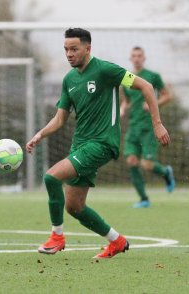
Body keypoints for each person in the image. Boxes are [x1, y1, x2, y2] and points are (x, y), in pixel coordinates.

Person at [25, 28, 170, 259]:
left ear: (87, 48)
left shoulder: (105, 70)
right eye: (66, 49)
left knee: (51, 177)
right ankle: (117, 241)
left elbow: (146, 86)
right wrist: (39, 134)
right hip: (80, 146)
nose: (69, 54)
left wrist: (157, 124)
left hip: (102, 143)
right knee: (75, 207)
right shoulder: (69, 80)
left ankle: (57, 237)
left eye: (74, 49)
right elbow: (60, 118)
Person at [120, 46, 176, 209]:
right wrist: (123, 108)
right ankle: (144, 198)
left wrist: (153, 104)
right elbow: (126, 101)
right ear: (130, 59)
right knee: (131, 161)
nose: (136, 58)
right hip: (133, 126)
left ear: (144, 58)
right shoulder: (126, 79)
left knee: (147, 164)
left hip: (150, 126)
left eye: (139, 56)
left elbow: (167, 95)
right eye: (134, 56)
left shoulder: (152, 76)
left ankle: (166, 172)